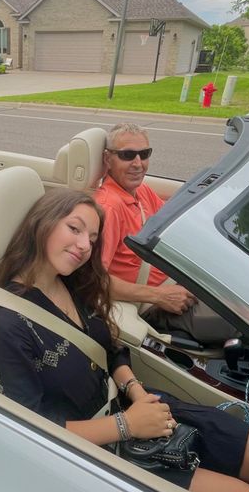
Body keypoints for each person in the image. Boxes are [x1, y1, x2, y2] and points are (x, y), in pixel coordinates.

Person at [0, 188, 249, 492]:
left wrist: (134, 389)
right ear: (42, 224)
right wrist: (126, 424)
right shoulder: (4, 328)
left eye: (93, 237)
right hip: (97, 447)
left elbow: (111, 348)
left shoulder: (73, 284)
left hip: (133, 407)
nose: (85, 245)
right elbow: (30, 429)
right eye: (75, 228)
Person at [95, 121, 235, 344]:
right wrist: (159, 296)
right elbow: (93, 280)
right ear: (107, 159)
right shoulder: (109, 208)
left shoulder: (140, 191)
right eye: (128, 155)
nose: (138, 163)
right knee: (241, 323)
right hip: (152, 304)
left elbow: (172, 224)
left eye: (144, 154)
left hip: (176, 282)